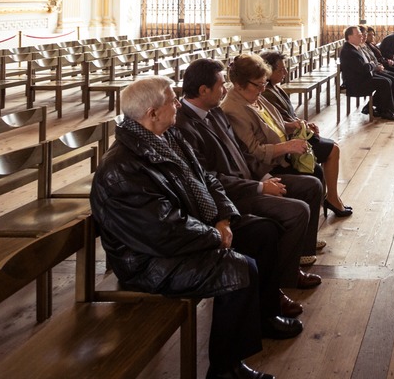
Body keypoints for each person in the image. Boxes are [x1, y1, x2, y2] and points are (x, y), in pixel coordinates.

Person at [90, 76, 298, 379]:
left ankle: (264, 316)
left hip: (189, 232)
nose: (178, 104)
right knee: (238, 269)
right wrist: (215, 235)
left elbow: (206, 179)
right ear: (152, 113)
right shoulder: (123, 167)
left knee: (263, 233)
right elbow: (161, 230)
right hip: (148, 261)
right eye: (172, 100)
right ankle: (226, 369)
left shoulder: (167, 136)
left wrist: (223, 218)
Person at [174, 57, 323, 306]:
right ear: (203, 90)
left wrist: (263, 177)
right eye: (222, 85)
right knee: (296, 211)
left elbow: (241, 153)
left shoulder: (215, 113)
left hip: (246, 181)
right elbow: (208, 178)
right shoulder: (185, 126)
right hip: (229, 198)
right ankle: (274, 286)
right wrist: (260, 187)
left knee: (311, 185)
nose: (225, 90)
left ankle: (287, 272)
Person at [222, 54, 353, 225]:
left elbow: (272, 123)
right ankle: (306, 235)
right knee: (313, 178)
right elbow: (254, 151)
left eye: (264, 83)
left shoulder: (253, 93)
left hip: (282, 156)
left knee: (317, 168)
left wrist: (294, 126)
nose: (263, 89)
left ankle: (310, 230)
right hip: (268, 167)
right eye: (259, 84)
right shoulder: (234, 109)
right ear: (239, 85)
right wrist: (288, 146)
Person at [258, 48, 351, 214]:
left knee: (332, 147)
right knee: (332, 149)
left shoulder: (274, 87)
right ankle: (332, 199)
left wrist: (305, 124)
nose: (285, 72)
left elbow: (288, 116)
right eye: (281, 69)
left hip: (296, 132)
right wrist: (301, 126)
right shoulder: (266, 92)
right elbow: (278, 122)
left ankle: (332, 198)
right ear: (268, 71)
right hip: (289, 140)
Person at [339, 25, 394, 120]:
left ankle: (383, 108)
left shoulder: (354, 47)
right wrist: (373, 64)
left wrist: (372, 65)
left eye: (361, 34)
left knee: (389, 79)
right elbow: (363, 68)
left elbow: (365, 66)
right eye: (358, 34)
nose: (361, 36)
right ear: (350, 37)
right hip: (356, 83)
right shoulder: (349, 51)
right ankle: (386, 111)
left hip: (363, 77)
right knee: (385, 82)